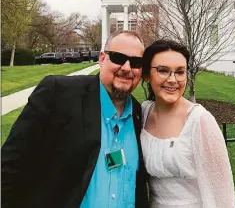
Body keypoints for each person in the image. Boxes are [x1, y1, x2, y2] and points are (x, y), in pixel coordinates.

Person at [1, 31, 149, 208]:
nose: (126, 67)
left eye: (136, 62)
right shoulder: (58, 94)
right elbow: (9, 166)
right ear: (102, 58)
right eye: (118, 57)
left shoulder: (139, 114)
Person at [140, 39, 235, 208]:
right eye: (163, 70)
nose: (173, 79)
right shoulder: (143, 112)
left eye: (180, 72)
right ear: (147, 75)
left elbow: (222, 192)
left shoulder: (199, 120)